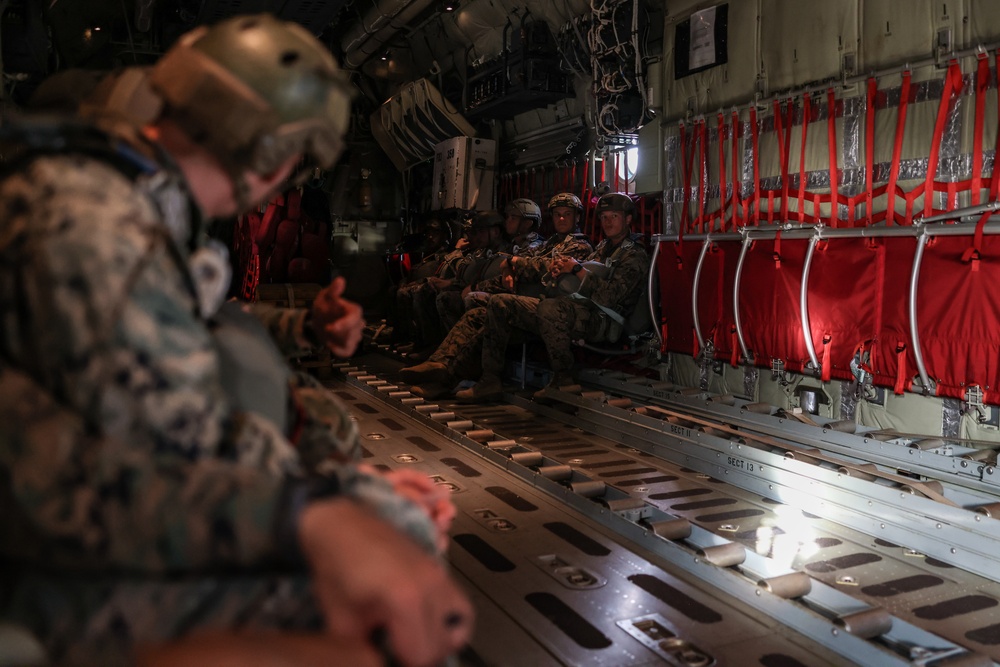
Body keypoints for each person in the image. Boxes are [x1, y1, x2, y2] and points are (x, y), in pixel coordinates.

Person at [0, 13, 471, 667]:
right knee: (395, 609)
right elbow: (171, 471)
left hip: (75, 508)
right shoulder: (100, 231)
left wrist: (300, 327)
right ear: (272, 154)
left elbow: (184, 320)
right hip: (56, 565)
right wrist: (337, 504)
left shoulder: (107, 195)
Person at [452, 192, 650, 403]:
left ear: (628, 219)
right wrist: (559, 269)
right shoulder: (603, 248)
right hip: (579, 307)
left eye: (614, 217)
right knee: (500, 302)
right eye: (604, 217)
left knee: (550, 308)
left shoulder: (634, 255)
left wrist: (576, 270)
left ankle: (563, 380)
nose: (608, 222)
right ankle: (489, 380)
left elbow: (610, 297)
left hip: (604, 319)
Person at [400, 193, 595, 398]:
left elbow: (546, 269)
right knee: (476, 316)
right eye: (557, 215)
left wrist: (515, 264)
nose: (562, 219)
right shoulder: (551, 244)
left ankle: (450, 377)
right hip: (525, 304)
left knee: (495, 308)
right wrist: (512, 266)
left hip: (549, 312)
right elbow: (519, 265)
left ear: (577, 218)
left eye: (567, 214)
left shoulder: (579, 246)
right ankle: (442, 363)